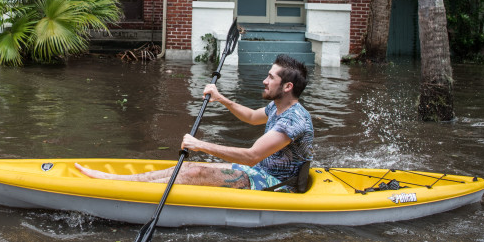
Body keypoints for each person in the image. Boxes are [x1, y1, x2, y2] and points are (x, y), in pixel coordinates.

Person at [76, 54, 313, 190]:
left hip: (280, 185)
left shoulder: (294, 120)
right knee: (187, 167)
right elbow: (251, 117)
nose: (265, 81)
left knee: (196, 171)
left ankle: (127, 190)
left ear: (287, 86)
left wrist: (200, 145)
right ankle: (117, 181)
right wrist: (221, 99)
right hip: (262, 172)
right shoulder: (278, 106)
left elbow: (251, 156)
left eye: (271, 77)